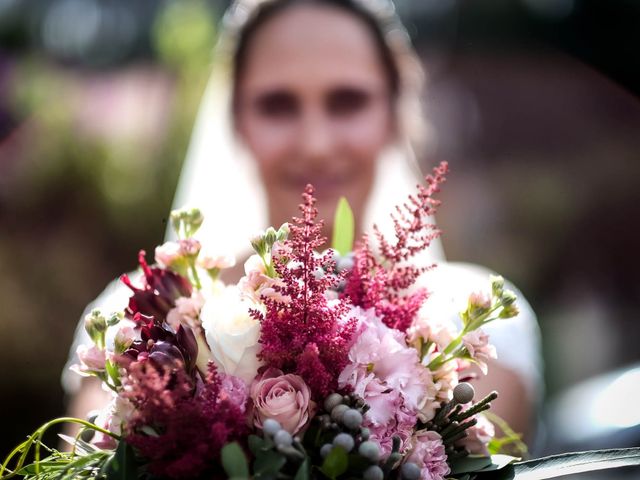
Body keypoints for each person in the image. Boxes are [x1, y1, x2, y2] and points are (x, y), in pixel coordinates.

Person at [63, 0, 542, 441]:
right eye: (278, 105)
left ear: (396, 113)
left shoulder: (474, 326)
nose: (314, 143)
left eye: (347, 101)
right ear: (236, 122)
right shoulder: (137, 325)